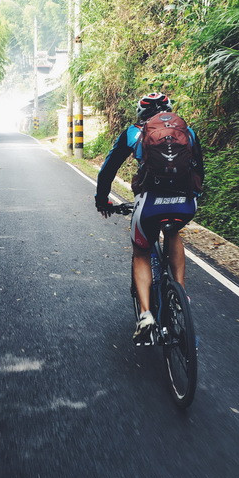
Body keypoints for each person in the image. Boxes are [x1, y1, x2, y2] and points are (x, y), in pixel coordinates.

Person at [95, 92, 204, 342]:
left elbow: (107, 170)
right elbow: (199, 166)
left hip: (150, 203)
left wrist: (102, 200)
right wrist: (193, 194)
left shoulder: (133, 132)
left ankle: (146, 315)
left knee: (141, 252)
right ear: (169, 110)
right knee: (173, 232)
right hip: (185, 203)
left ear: (141, 113)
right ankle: (180, 295)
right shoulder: (186, 131)